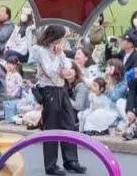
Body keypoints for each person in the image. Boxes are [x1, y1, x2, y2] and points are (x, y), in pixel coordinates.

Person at [32, 24, 87, 175]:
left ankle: (71, 160)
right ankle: (51, 165)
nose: (62, 40)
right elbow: (50, 70)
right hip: (49, 90)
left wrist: (64, 64)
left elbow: (68, 64)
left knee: (69, 123)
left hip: (62, 88)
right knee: (52, 126)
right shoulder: (41, 51)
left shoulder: (58, 49)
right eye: (60, 37)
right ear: (54, 37)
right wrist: (57, 57)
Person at [3, 55, 24, 121]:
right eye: (8, 63)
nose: (9, 65)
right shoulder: (8, 74)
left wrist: (13, 94)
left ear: (15, 65)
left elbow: (19, 87)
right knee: (8, 108)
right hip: (8, 95)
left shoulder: (17, 76)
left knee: (13, 109)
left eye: (11, 64)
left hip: (15, 97)